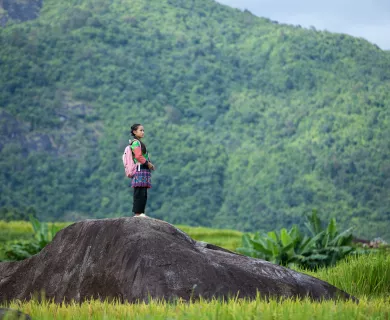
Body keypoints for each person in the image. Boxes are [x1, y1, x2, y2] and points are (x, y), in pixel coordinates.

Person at [130, 124, 155, 217]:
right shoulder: (135, 143)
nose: (143, 132)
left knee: (143, 192)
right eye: (141, 130)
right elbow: (138, 156)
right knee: (139, 191)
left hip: (143, 169)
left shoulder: (139, 143)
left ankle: (141, 212)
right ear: (134, 132)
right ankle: (137, 213)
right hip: (139, 169)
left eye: (143, 130)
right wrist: (148, 164)